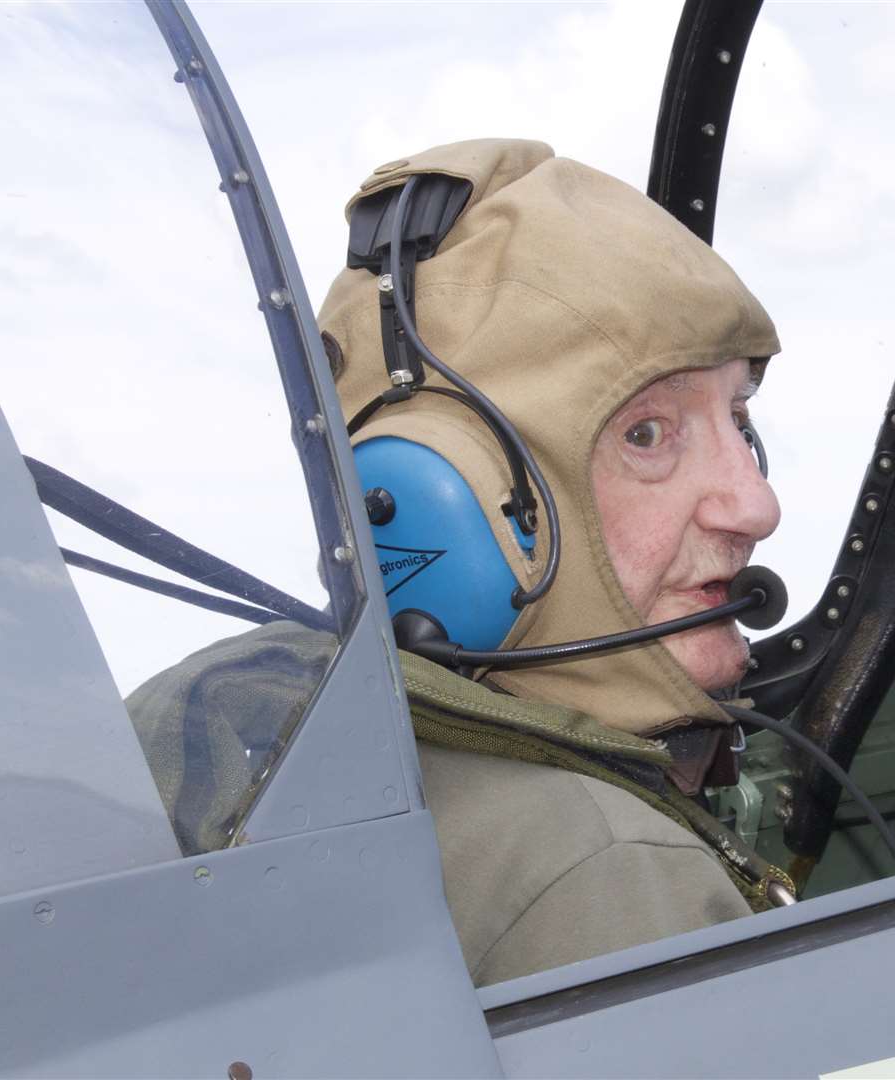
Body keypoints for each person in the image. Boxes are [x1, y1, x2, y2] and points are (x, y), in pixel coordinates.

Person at [311, 139, 792, 985]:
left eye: (739, 420)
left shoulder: (240, 743)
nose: (756, 505)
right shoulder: (605, 880)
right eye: (648, 435)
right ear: (440, 501)